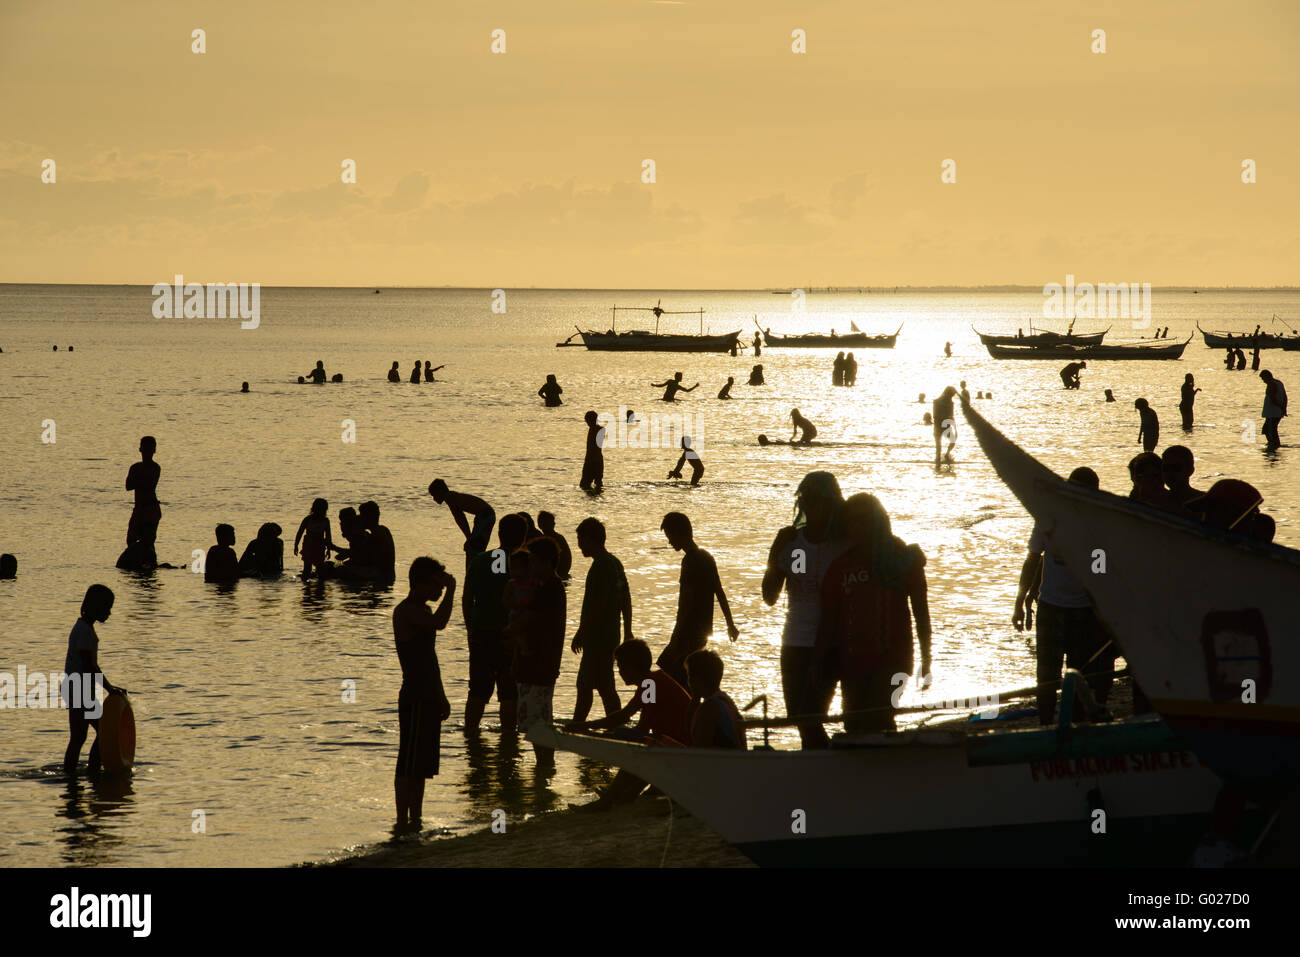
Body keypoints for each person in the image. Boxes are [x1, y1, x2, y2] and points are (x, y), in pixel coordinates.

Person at [814, 493, 931, 733]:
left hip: (892, 659)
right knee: (854, 724)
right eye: (851, 522)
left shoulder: (903, 559)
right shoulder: (842, 565)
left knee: (880, 719)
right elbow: (828, 619)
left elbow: (921, 612)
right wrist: (818, 661)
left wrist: (926, 659)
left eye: (863, 521)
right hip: (852, 661)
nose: (857, 527)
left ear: (877, 521)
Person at [1013, 467, 1114, 723]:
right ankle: (1046, 724)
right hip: (1050, 605)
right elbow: (1034, 558)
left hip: (1083, 609)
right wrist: (1022, 599)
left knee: (1079, 675)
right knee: (1046, 675)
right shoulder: (1048, 517)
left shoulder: (1097, 525)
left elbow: (1099, 572)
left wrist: (1102, 608)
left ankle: (1077, 723)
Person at [761, 471, 850, 749]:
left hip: (831, 642)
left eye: (819, 501)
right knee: (798, 717)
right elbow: (769, 596)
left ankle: (830, 770)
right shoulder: (791, 542)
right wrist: (775, 556)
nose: (812, 507)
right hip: (794, 640)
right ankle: (821, 770)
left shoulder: (845, 544)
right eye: (807, 500)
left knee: (810, 717)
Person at [568, 639, 692, 808]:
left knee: (640, 752)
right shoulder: (651, 682)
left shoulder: (650, 685)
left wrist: (592, 731)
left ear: (632, 666)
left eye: (620, 667)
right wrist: (586, 727)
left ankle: (609, 800)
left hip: (679, 750)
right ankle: (619, 798)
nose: (619, 672)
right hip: (675, 747)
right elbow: (624, 715)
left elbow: (640, 729)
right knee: (642, 752)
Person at [392, 557, 456, 830]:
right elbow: (439, 624)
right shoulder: (407, 611)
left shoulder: (423, 611)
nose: (439, 589)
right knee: (408, 761)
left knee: (421, 765)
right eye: (435, 583)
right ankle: (401, 820)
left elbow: (431, 659)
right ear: (420, 582)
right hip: (415, 695)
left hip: (428, 693)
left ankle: (415, 818)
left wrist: (441, 695)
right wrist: (452, 592)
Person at [657, 512, 739, 686]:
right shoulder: (707, 557)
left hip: (688, 632)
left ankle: (683, 710)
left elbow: (685, 603)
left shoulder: (689, 561)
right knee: (687, 677)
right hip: (703, 632)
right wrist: (730, 624)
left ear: (679, 533)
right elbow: (720, 593)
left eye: (670, 536)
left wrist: (675, 635)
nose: (669, 542)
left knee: (669, 673)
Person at [463, 514, 525, 733]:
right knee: (509, 693)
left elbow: (467, 598)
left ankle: (470, 738)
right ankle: (508, 742)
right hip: (511, 636)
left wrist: (471, 628)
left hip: (481, 633)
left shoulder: (480, 560)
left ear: (499, 534)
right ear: (523, 536)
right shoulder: (524, 565)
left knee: (477, 691)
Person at [571, 518, 633, 723]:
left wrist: (581, 632)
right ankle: (615, 725)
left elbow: (598, 603)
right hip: (611, 635)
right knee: (606, 685)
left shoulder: (600, 566)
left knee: (585, 685)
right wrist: (627, 630)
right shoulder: (614, 562)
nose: (579, 544)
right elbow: (626, 598)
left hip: (597, 637)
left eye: (581, 539)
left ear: (591, 539)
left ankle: (577, 725)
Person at [512, 538, 567, 768]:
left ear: (545, 562)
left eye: (533, 561)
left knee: (539, 721)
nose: (530, 566)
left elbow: (529, 619)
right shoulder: (543, 586)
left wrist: (508, 631)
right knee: (535, 720)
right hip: (534, 663)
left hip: (541, 663)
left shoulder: (550, 588)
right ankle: (543, 768)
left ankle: (546, 766)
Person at [62, 584, 122, 776]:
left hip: (76, 689)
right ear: (97, 607)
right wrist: (110, 689)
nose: (109, 613)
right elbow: (89, 667)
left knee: (79, 737)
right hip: (79, 691)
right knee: (103, 732)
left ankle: (75, 773)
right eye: (107, 608)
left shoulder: (82, 627)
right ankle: (92, 771)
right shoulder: (85, 631)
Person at [684, 650, 747, 749]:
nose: (688, 682)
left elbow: (700, 748)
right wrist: (695, 700)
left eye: (689, 676)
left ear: (695, 678)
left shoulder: (709, 708)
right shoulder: (726, 701)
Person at [428, 480, 496, 568]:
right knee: (475, 547)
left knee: (473, 548)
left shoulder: (450, 498)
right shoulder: (451, 496)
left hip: (485, 515)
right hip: (485, 516)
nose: (434, 499)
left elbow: (460, 519)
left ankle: (473, 571)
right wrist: (469, 538)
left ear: (440, 491)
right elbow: (461, 519)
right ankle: (475, 569)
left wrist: (469, 538)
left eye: (434, 495)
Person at [124, 435, 162, 559]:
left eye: (150, 449)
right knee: (131, 540)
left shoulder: (155, 467)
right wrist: (141, 480)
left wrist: (138, 480)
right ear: (140, 449)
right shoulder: (135, 467)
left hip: (151, 509)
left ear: (154, 451)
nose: (147, 452)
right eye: (145, 448)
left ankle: (150, 563)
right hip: (139, 508)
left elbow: (149, 485)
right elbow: (128, 486)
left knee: (148, 541)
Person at [294, 498, 332, 577]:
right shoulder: (308, 519)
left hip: (320, 546)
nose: (321, 511)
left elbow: (328, 536)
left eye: (323, 509)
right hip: (308, 545)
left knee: (320, 569)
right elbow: (300, 533)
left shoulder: (325, 521)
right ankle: (306, 586)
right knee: (307, 569)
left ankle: (320, 587)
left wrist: (328, 549)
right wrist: (296, 545)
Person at [360, 501, 396, 583]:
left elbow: (365, 556)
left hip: (382, 576)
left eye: (362, 516)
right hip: (388, 576)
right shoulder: (383, 530)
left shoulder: (376, 535)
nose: (361, 519)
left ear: (368, 518)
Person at [537, 511, 573, 579]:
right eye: (551, 522)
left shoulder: (554, 539)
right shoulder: (555, 537)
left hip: (559, 572)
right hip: (561, 572)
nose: (554, 523)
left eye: (552, 522)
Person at [1260, 370, 1287, 449]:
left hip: (1273, 412)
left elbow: (1272, 398)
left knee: (1268, 430)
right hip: (1277, 412)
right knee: (1270, 430)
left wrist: (1281, 407)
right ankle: (1274, 444)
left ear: (1267, 377)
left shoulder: (1271, 384)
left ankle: (1273, 444)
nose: (1263, 381)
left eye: (1263, 379)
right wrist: (1284, 408)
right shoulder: (1279, 383)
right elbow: (1285, 397)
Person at [580, 410, 605, 492]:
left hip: (591, 461)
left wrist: (587, 461)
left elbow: (592, 447)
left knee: (584, 485)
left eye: (587, 420)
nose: (586, 423)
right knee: (598, 484)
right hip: (598, 460)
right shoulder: (600, 429)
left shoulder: (595, 430)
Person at [933, 386, 957, 464]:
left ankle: (947, 454)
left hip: (946, 425)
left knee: (953, 440)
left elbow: (951, 415)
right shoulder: (937, 402)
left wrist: (954, 427)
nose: (951, 397)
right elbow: (935, 416)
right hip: (938, 425)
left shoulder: (950, 403)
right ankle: (938, 460)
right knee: (938, 446)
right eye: (951, 395)